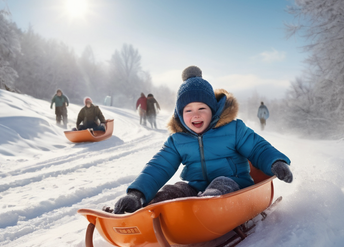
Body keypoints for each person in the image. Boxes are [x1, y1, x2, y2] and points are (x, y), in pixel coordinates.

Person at [113, 66, 292, 214]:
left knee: (221, 183)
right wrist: (137, 193)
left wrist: (276, 162)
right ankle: (147, 211)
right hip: (196, 189)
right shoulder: (177, 140)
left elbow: (257, 148)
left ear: (213, 110)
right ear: (180, 115)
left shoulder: (233, 129)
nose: (195, 114)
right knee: (173, 191)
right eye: (188, 110)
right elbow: (159, 167)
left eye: (202, 108)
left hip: (234, 186)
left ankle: (203, 209)